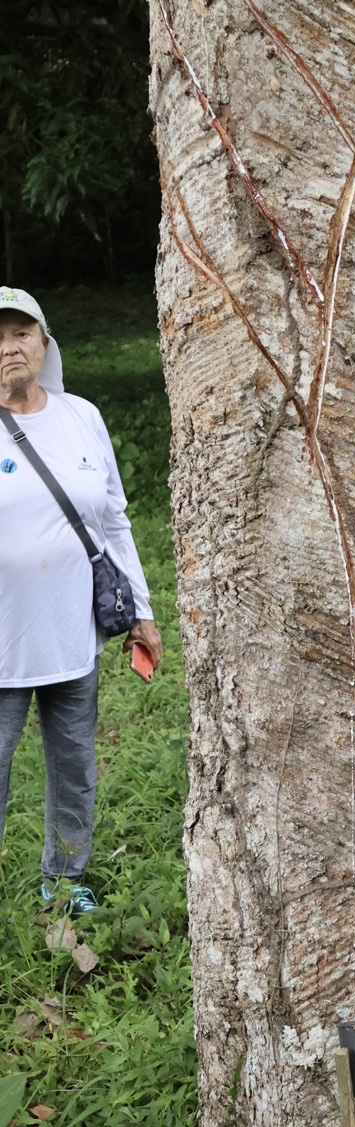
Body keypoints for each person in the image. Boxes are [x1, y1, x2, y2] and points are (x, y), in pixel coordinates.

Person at [0, 287, 163, 912]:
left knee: (74, 763)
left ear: (44, 343)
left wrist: (142, 610)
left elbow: (114, 520)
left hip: (72, 632)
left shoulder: (82, 417)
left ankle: (66, 879)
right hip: (5, 641)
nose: (10, 348)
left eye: (22, 333)